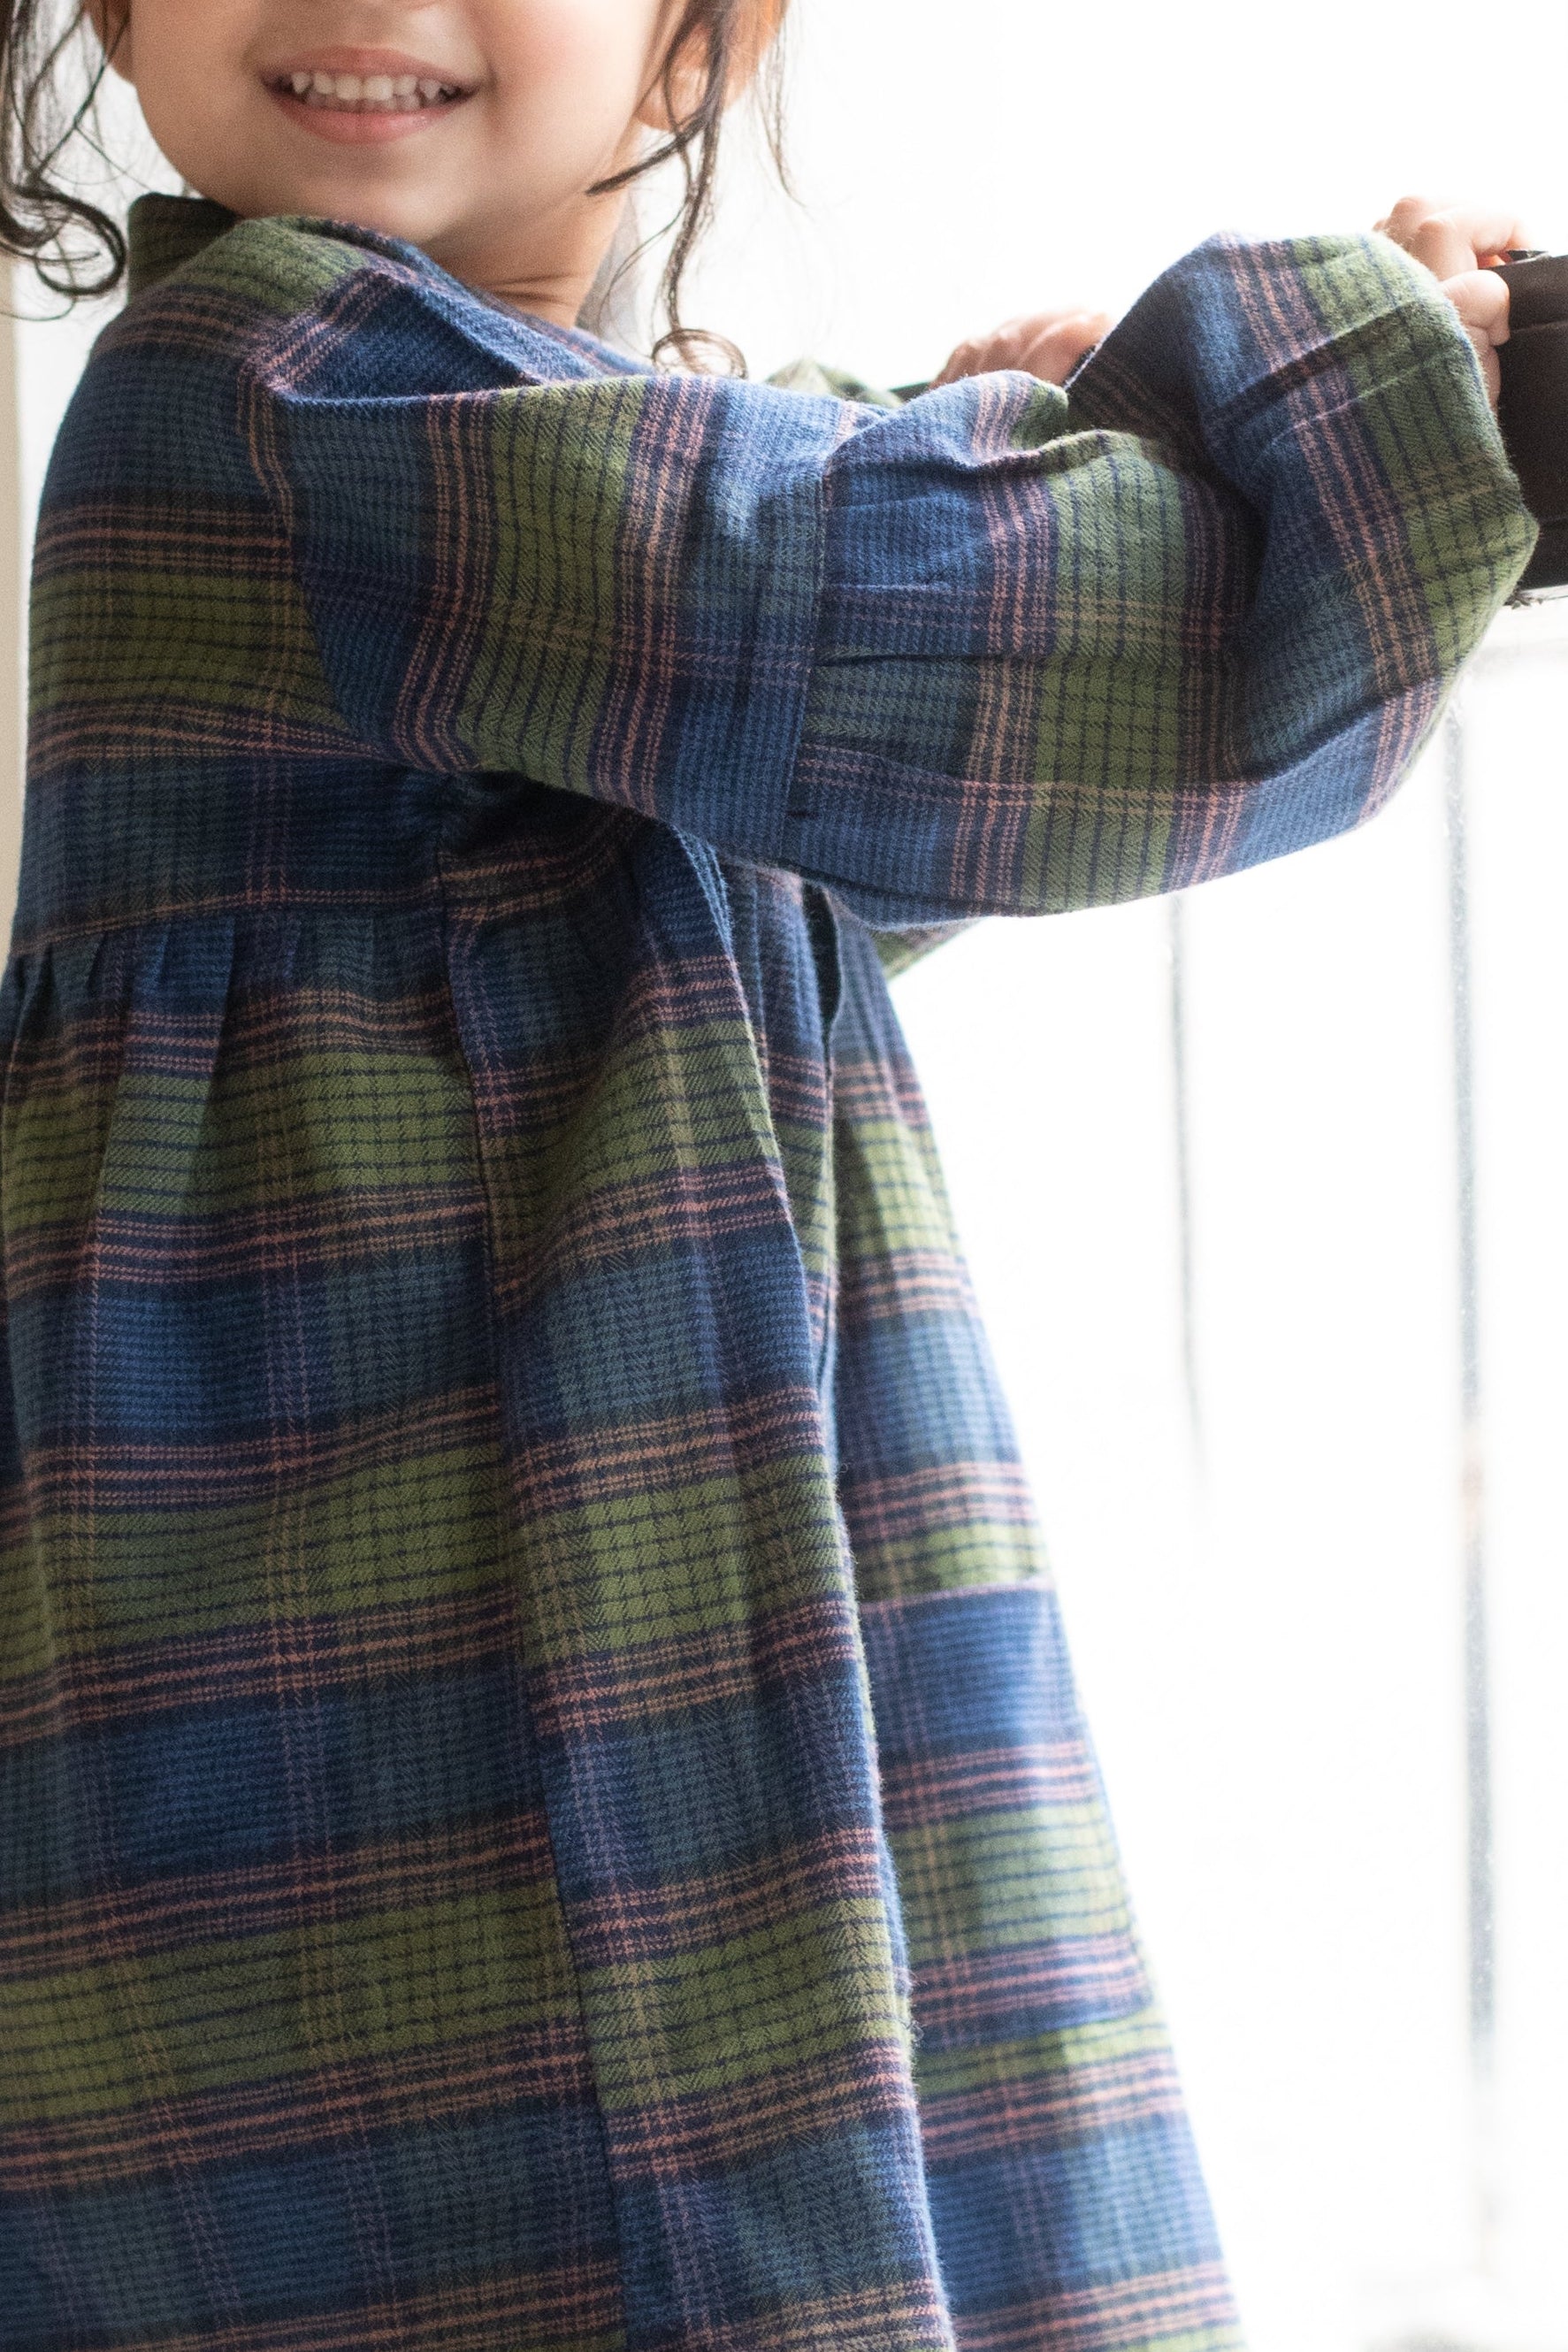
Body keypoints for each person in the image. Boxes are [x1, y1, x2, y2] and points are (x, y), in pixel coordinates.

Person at [0, 0, 1534, 2345]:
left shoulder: (494, 500)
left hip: (558, 1825)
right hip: (422, 1889)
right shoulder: (262, 383)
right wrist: (1374, 365)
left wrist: (1045, 440)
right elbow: (962, 640)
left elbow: (807, 721)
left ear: (700, 42)